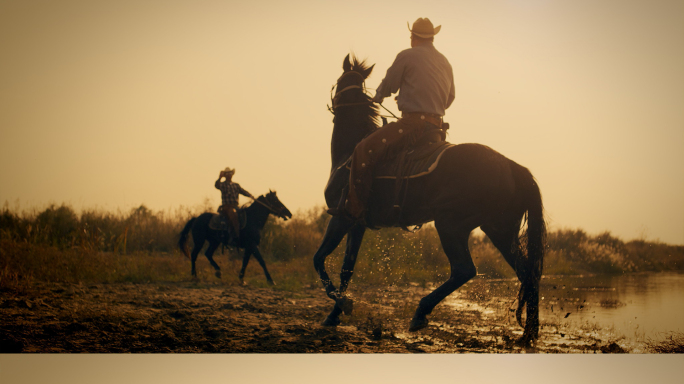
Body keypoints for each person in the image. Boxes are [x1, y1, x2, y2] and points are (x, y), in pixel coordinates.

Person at [329, 17, 455, 221]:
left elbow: (389, 84)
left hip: (412, 125)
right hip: (437, 129)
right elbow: (449, 98)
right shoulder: (445, 62)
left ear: (413, 37)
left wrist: (378, 96)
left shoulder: (407, 55)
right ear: (432, 38)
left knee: (362, 150)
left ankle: (354, 210)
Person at [215, 167, 254, 240]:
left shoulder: (236, 185)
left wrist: (250, 196)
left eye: (230, 173)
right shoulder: (223, 185)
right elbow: (217, 185)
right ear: (225, 175)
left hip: (236, 206)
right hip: (227, 207)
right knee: (234, 215)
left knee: (245, 214)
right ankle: (236, 236)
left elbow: (243, 191)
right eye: (227, 173)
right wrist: (219, 178)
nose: (229, 175)